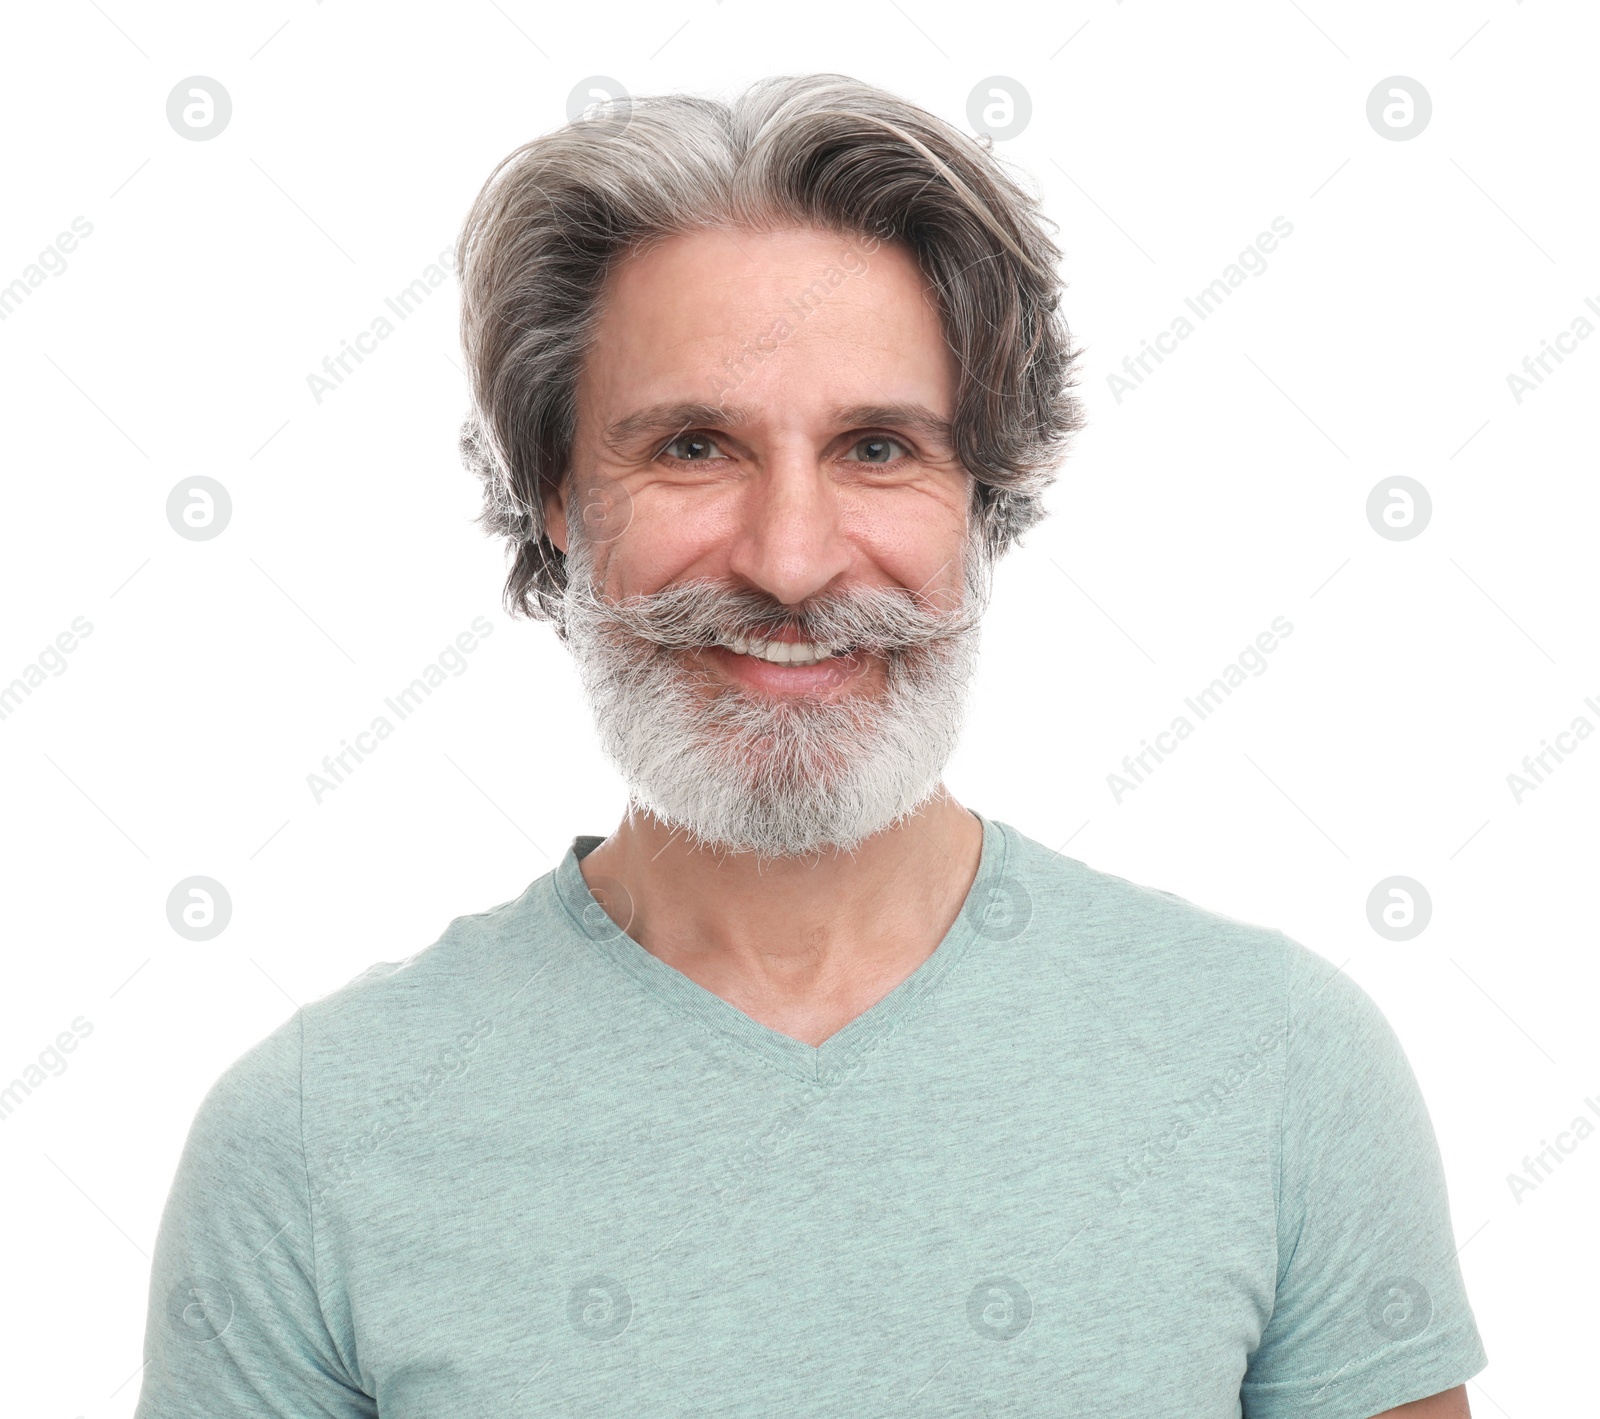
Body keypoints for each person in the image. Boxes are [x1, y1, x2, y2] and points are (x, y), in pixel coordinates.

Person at [135, 73, 1486, 1417]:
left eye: (879, 448)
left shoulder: (1277, 1066)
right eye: (693, 445)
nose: (790, 561)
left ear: (986, 499)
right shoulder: (311, 1141)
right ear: (558, 494)